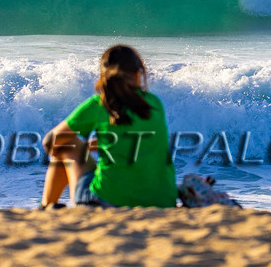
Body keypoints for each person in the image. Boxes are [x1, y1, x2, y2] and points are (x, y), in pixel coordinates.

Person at [41, 44, 177, 208]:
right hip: (162, 201)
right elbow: (133, 141)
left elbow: (49, 142)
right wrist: (94, 145)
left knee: (63, 145)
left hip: (108, 201)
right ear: (137, 74)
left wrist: (81, 147)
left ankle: (46, 206)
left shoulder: (100, 104)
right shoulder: (154, 103)